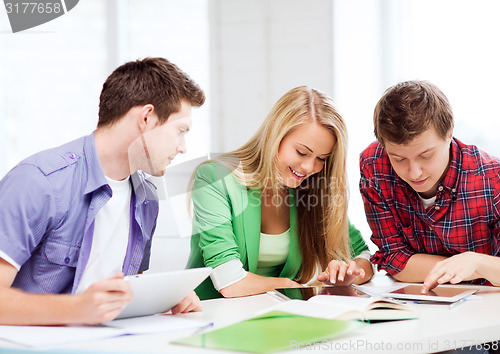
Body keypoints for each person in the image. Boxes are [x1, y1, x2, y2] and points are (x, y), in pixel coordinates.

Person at [0, 57, 206, 325]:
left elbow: (126, 289)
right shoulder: (38, 183)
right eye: (180, 131)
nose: (183, 148)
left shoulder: (146, 196)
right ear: (147, 118)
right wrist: (74, 309)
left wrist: (163, 297)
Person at [187, 86, 373, 300]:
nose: (308, 167)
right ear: (275, 136)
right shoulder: (214, 178)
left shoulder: (310, 189)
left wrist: (348, 274)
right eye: (302, 152)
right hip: (214, 316)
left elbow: (364, 256)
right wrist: (289, 285)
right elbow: (230, 282)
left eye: (321, 158)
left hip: (280, 316)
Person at [359, 80, 500, 294]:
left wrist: (476, 263)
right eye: (399, 159)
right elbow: (394, 259)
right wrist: (474, 268)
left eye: (426, 156)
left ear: (449, 133)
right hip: (417, 305)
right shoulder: (374, 164)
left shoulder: (491, 177)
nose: (414, 173)